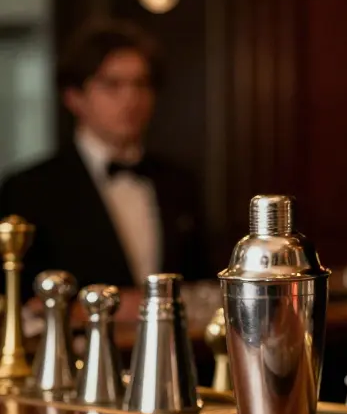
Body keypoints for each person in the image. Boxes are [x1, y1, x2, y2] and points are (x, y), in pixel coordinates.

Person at [0, 20, 210, 301]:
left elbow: (202, 283)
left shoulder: (179, 182)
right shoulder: (29, 188)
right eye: (112, 84)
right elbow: (20, 298)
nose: (131, 98)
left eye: (141, 84)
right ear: (74, 97)